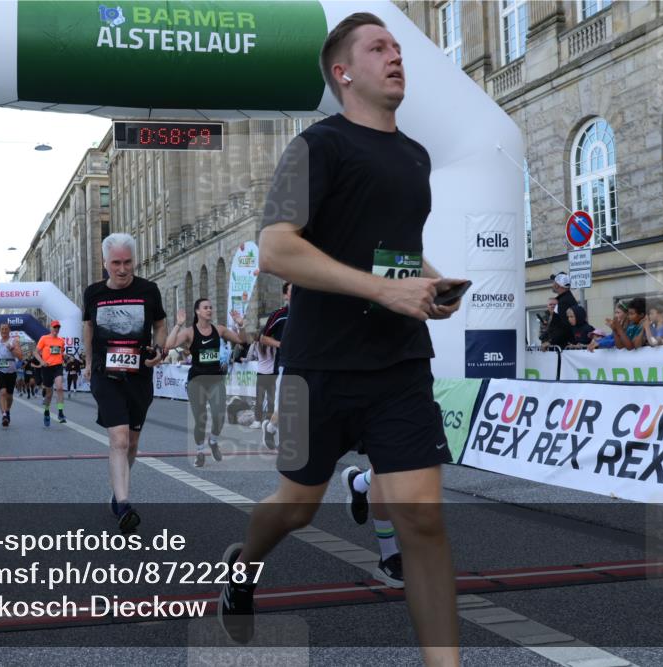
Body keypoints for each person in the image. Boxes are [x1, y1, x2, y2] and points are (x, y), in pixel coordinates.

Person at [217, 14, 463, 663]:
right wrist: (384, 290)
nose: (396, 57)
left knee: (423, 519)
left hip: (399, 364)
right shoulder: (313, 147)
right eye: (378, 47)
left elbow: (394, 252)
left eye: (398, 47)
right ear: (342, 71)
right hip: (316, 366)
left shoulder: (415, 156)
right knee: (296, 505)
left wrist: (428, 283)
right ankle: (242, 564)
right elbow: (275, 248)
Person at [83, 233, 166, 533]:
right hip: (107, 375)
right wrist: (89, 363)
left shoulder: (149, 290)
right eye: (115, 263)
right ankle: (125, 505)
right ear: (105, 263)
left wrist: (160, 349)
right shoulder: (93, 293)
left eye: (127, 262)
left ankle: (118, 492)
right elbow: (89, 327)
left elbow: (159, 325)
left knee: (131, 443)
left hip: (139, 376)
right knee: (118, 438)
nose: (122, 269)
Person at [165, 299, 250, 467]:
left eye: (211, 307)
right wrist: (177, 325)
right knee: (201, 419)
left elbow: (243, 341)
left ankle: (213, 441)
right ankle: (199, 452)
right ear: (197, 311)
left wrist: (240, 325)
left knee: (219, 415)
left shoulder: (219, 330)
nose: (209, 310)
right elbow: (169, 345)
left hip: (215, 379)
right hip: (197, 381)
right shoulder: (189, 332)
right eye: (205, 308)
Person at [254, 283, 290, 434]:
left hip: (305, 362)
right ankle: (270, 428)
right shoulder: (279, 314)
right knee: (281, 403)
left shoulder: (308, 314)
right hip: (283, 363)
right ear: (285, 295)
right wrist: (281, 344)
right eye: (292, 291)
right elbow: (263, 338)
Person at [0, 322, 24, 427]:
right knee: (2, 392)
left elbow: (21, 357)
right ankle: (4, 415)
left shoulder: (14, 341)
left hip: (11, 371)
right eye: (2, 329)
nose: (4, 331)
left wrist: (12, 349)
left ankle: (7, 411)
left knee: (9, 396)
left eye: (5, 329)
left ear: (9, 330)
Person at [36, 321, 68, 426]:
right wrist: (41, 362)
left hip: (58, 367)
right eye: (54, 327)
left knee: (59, 387)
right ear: (50, 328)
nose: (56, 329)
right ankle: (46, 411)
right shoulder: (44, 338)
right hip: (47, 368)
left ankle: (60, 413)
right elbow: (35, 352)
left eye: (58, 327)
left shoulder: (61, 341)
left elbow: (61, 352)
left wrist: (65, 355)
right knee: (49, 394)